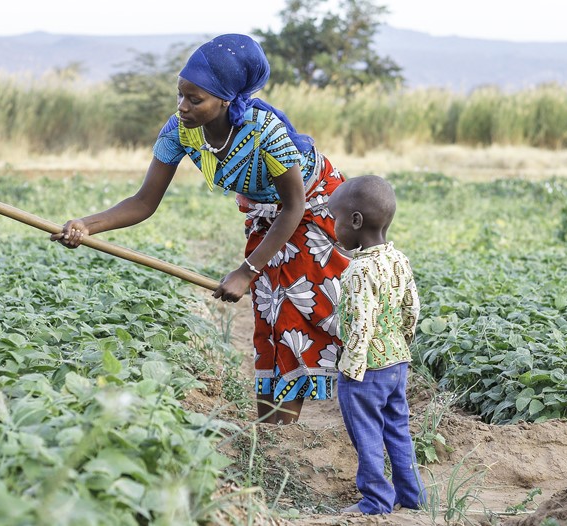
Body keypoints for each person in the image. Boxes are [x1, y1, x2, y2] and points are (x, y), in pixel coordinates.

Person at [51, 34, 349, 424]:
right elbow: (143, 202)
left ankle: (329, 405)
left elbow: (293, 206)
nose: (183, 106)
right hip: (265, 210)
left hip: (312, 203)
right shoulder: (179, 132)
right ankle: (273, 426)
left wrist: (247, 270)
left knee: (296, 305)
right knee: (267, 308)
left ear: (226, 98)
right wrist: (86, 225)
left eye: (195, 99)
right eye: (180, 95)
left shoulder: (265, 131)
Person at [326, 175, 426, 514]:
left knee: (366, 434)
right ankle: (411, 496)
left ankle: (375, 500)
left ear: (355, 221)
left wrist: (351, 369)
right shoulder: (397, 258)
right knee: (397, 428)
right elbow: (412, 306)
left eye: (335, 218)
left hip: (365, 369)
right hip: (397, 362)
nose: (333, 226)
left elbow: (361, 324)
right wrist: (402, 342)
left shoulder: (357, 272)